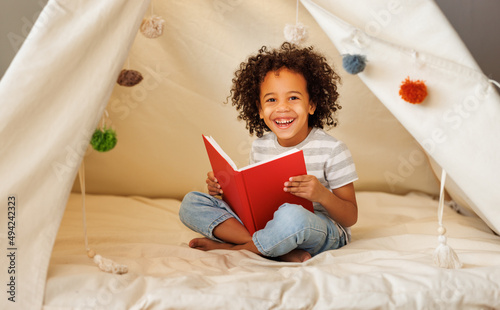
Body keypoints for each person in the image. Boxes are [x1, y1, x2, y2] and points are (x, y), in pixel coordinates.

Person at [179, 42, 358, 262]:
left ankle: (238, 248)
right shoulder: (260, 145)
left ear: (312, 105)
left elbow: (350, 217)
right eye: (271, 100)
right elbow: (254, 202)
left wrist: (321, 195)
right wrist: (223, 189)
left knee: (292, 216)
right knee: (191, 203)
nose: (282, 107)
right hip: (269, 223)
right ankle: (276, 247)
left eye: (293, 97)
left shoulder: (333, 150)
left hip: (317, 228)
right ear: (260, 110)